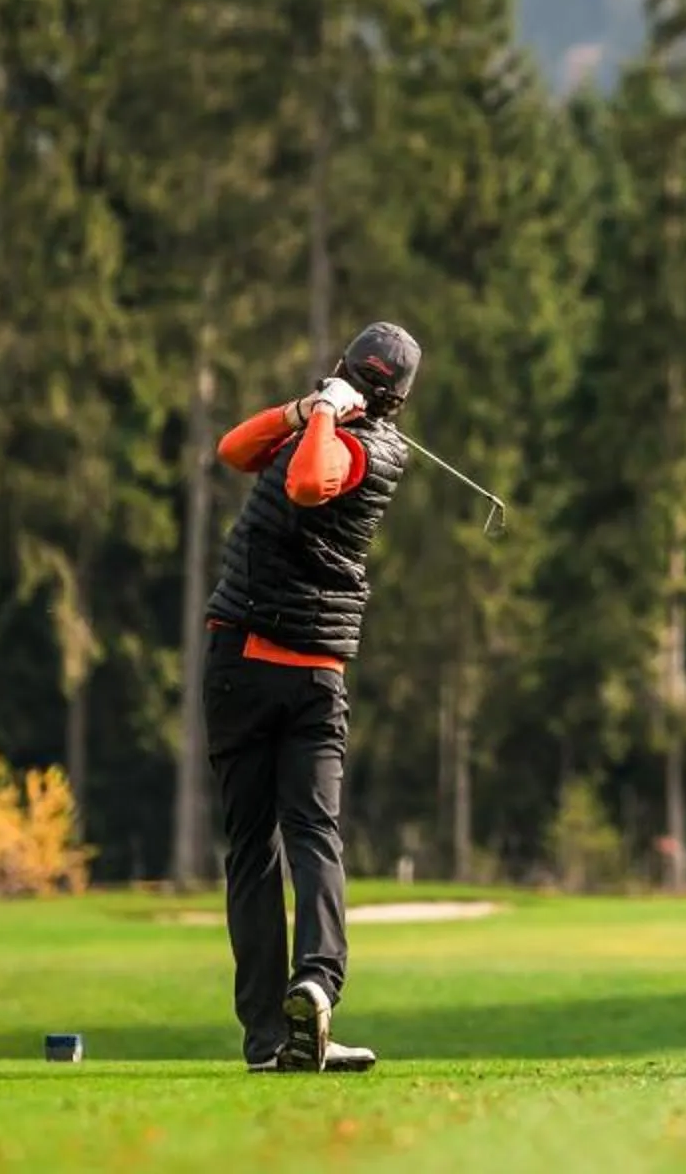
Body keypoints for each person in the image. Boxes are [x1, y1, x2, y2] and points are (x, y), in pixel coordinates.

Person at [202, 320, 421, 1074]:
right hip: (271, 671)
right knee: (294, 839)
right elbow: (234, 450)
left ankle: (298, 1007)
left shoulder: (369, 449)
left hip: (283, 673)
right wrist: (303, 410)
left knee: (273, 847)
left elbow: (306, 484)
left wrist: (325, 412)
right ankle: (298, 1012)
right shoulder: (328, 427)